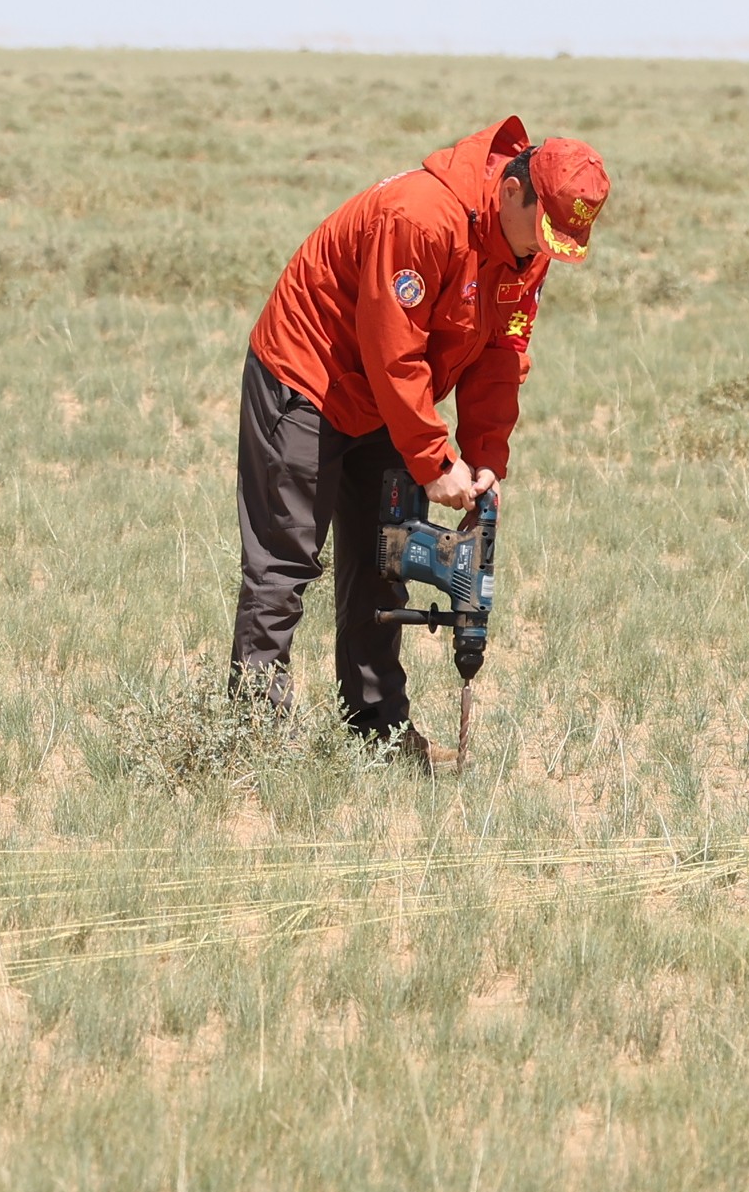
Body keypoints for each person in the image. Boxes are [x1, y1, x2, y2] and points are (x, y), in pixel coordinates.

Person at [231, 116, 609, 758]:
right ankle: (247, 737)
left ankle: (376, 732)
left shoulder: (526, 253)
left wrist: (485, 456)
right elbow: (392, 348)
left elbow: (501, 351)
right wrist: (434, 459)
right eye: (541, 231)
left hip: (392, 399)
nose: (540, 252)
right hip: (308, 377)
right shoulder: (421, 217)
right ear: (512, 189)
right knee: (285, 560)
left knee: (385, 558)